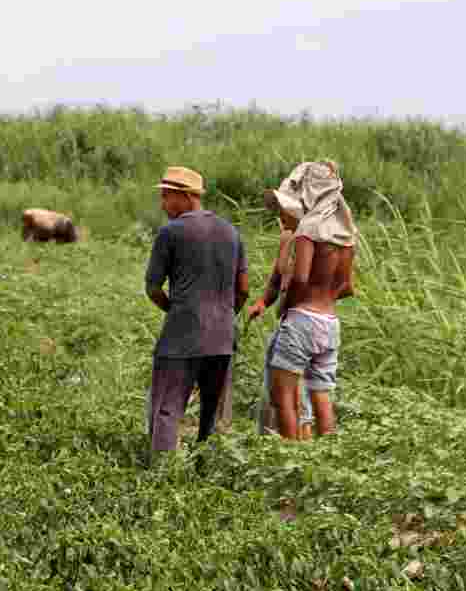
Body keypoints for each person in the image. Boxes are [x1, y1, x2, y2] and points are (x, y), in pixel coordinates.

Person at [144, 166, 250, 464]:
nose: (163, 204)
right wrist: (224, 315)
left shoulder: (170, 233)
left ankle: (161, 474)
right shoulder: (231, 232)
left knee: (167, 408)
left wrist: (176, 310)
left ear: (186, 196)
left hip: (181, 337)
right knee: (211, 412)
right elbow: (243, 289)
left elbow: (152, 287)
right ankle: (207, 471)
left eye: (167, 197)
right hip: (222, 339)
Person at [252, 160, 356, 441]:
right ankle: (329, 452)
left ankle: (292, 456)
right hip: (330, 323)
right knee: (321, 395)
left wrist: (289, 306)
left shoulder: (307, 231)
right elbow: (348, 286)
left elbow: (299, 279)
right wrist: (322, 299)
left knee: (282, 395)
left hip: (302, 321)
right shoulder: (345, 235)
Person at [247, 216, 316, 439]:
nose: (279, 215)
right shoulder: (287, 238)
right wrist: (263, 302)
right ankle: (275, 444)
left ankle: (300, 449)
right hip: (285, 323)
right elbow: (277, 280)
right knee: (274, 387)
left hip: (304, 324)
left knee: (297, 389)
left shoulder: (315, 238)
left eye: (283, 209)